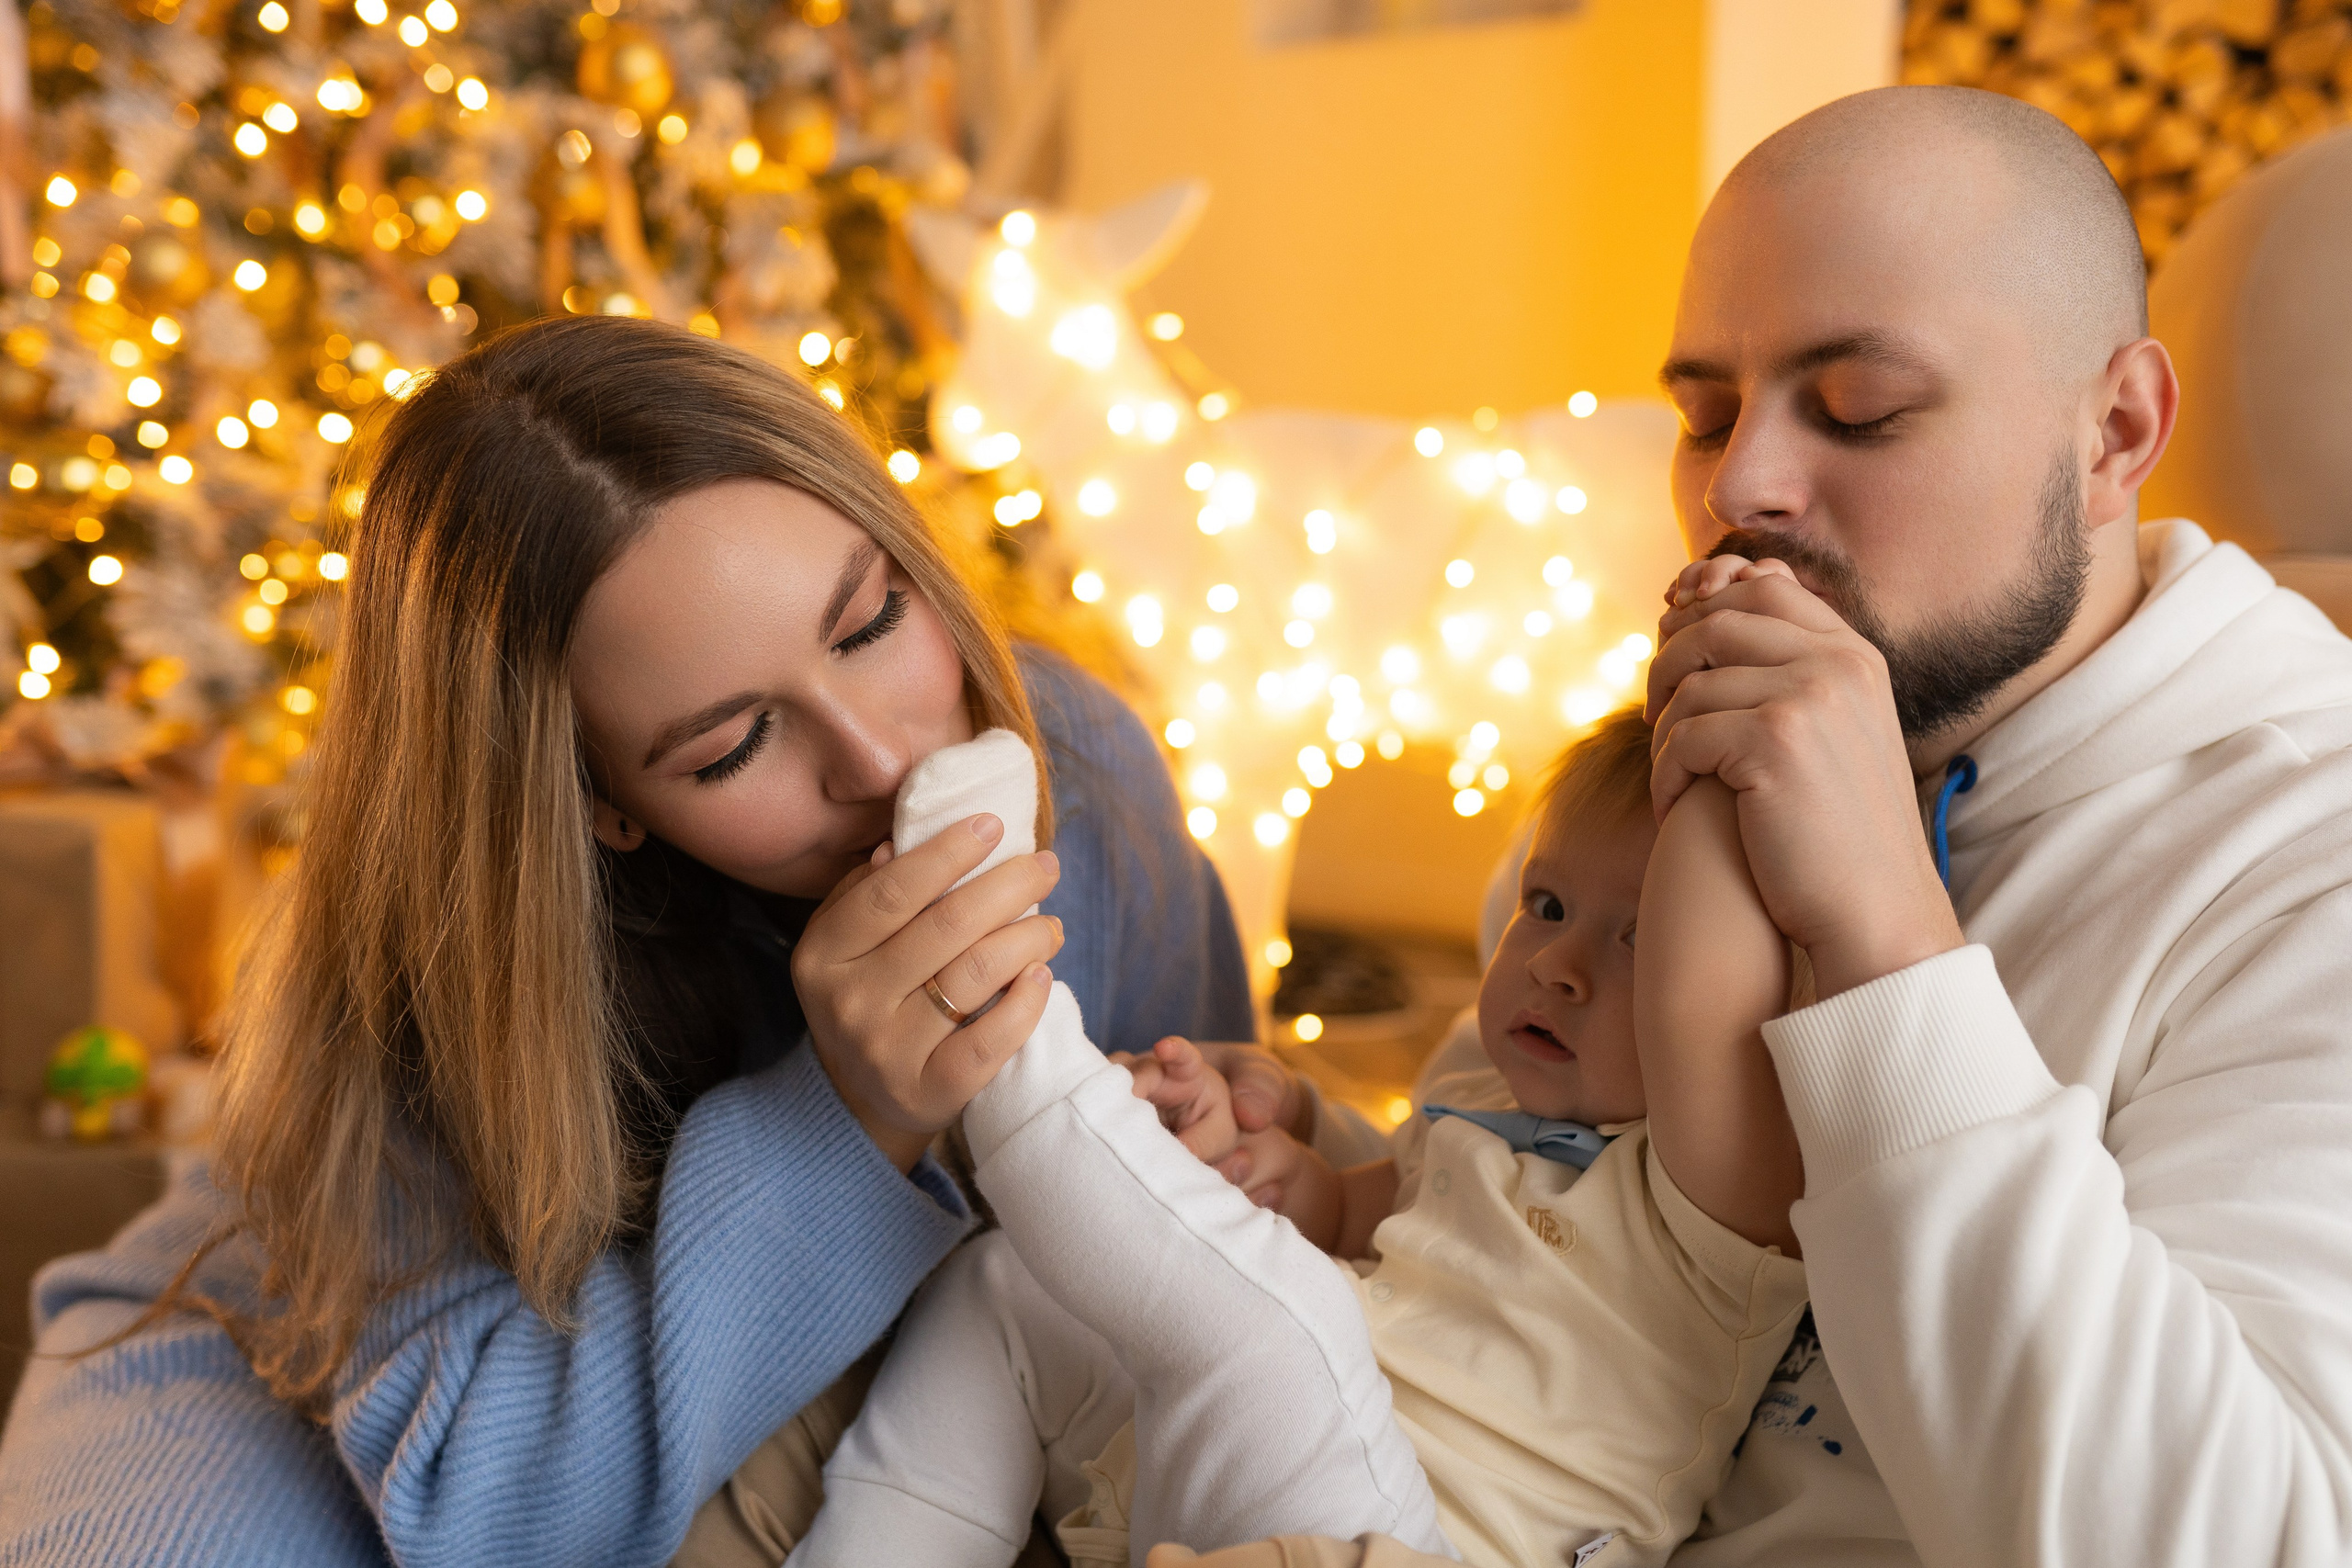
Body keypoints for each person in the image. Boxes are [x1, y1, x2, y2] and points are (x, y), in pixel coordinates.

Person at [1195, 84, 2352, 1567]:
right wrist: (1321, 1166)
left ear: (2115, 431)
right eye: (1704, 415)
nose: (1738, 484)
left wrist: (1886, 941)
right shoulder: (1673, 771)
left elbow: (2244, 1539)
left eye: (1858, 407)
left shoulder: (2305, 863)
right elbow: (1546, 1228)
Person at [0, 316, 1254, 1568]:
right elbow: (488, 1518)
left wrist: (1252, 1135)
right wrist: (851, 1115)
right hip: (285, 1364)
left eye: (870, 622)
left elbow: (1236, 1256)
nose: (879, 760)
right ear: (596, 800)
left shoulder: (1081, 770)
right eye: (732, 746)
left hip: (822, 1409)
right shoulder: (442, 954)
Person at [786, 707, 1809, 1568]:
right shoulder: (1481, 1110)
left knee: (1288, 1325)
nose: (1555, 964)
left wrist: (1714, 693)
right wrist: (1268, 1173)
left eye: (1639, 938)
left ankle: (1006, 1029)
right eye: (1545, 906)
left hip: (1419, 1545)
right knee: (1012, 1284)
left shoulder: (1721, 1194)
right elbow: (1361, 1216)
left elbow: (1713, 978)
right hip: (1250, 1482)